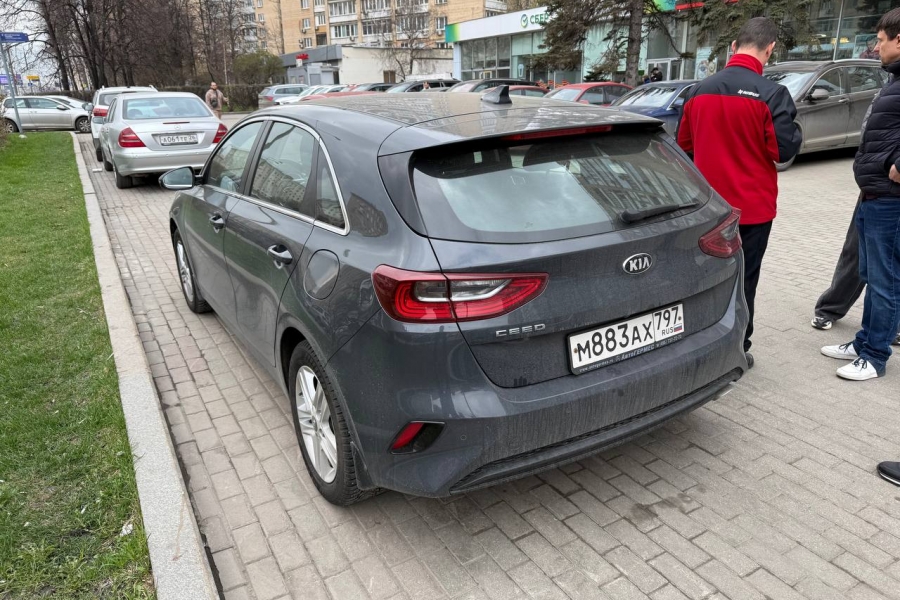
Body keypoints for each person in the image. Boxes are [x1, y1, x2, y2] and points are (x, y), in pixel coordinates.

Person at [677, 17, 802, 367]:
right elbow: (784, 150)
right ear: (770, 49)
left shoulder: (698, 91)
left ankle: (699, 342)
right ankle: (737, 347)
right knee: (745, 278)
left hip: (708, 210)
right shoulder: (772, 94)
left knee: (705, 277)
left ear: (734, 47)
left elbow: (683, 147)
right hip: (752, 210)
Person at [822, 7, 900, 382]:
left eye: (881, 41)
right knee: (871, 274)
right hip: (875, 195)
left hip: (891, 199)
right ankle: (864, 341)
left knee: (885, 282)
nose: (876, 47)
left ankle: (875, 356)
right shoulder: (895, 80)